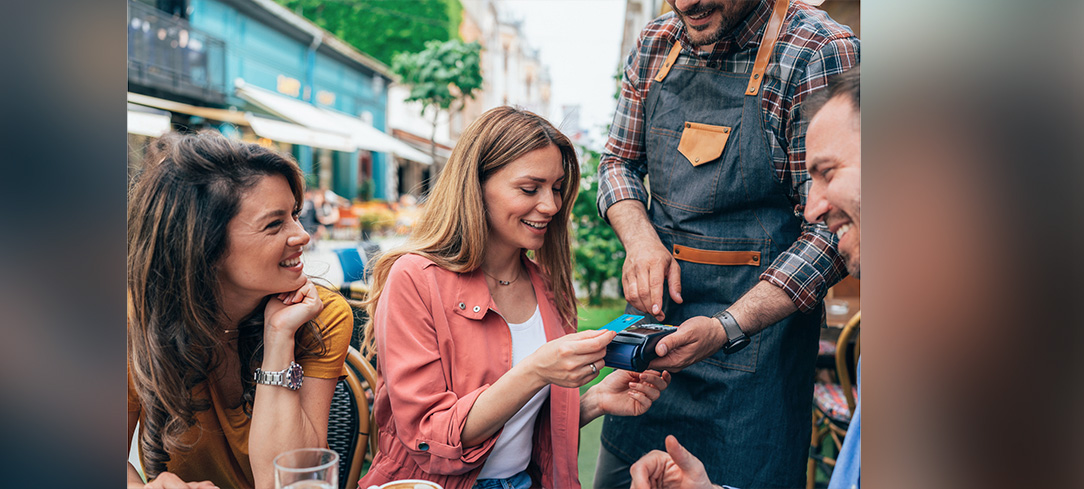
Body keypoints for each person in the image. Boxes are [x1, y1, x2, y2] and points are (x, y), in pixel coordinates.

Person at [594, 0, 860, 487]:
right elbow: (617, 162)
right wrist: (639, 238)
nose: (686, 3)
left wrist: (725, 327)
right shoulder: (656, 42)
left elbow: (833, 225)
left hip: (752, 377)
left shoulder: (817, 51)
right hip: (648, 361)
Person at [357, 106, 672, 489]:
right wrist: (536, 370)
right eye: (529, 188)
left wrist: (593, 401)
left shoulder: (548, 285)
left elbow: (519, 432)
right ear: (476, 185)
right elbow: (429, 435)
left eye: (557, 188)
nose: (552, 205)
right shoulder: (416, 278)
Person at [127, 131, 354, 489]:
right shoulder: (134, 321)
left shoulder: (321, 315)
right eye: (275, 224)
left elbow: (287, 482)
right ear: (205, 244)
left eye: (295, 214)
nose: (302, 235)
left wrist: (279, 338)